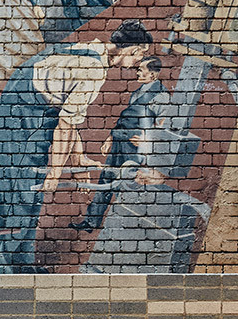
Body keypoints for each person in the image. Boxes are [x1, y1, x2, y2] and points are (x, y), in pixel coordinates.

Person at [0, 19, 153, 272]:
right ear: (127, 49)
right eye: (139, 53)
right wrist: (55, 171)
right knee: (16, 193)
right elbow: (65, 125)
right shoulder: (93, 71)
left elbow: (67, 112)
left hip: (32, 112)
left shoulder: (91, 49)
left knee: (27, 194)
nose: (139, 60)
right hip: (20, 117)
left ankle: (21, 263)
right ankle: (0, 265)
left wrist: (78, 156)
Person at [70, 56, 171, 232]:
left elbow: (164, 125)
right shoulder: (138, 91)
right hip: (120, 140)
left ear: (153, 75)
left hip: (134, 147)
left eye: (141, 69)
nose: (138, 71)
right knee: (106, 179)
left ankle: (124, 227)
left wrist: (148, 139)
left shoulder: (161, 95)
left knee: (126, 184)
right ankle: (91, 222)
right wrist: (110, 138)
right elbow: (125, 118)